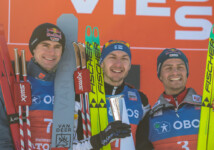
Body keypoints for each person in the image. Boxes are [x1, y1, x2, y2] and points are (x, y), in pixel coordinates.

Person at [0, 23, 131, 150]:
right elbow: (3, 139)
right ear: (33, 48)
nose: (51, 52)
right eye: (45, 45)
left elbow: (71, 145)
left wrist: (99, 139)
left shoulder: (71, 89)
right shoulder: (15, 86)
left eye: (57, 47)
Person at [136, 48, 201, 150]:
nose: (175, 72)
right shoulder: (149, 119)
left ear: (187, 72)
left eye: (180, 67)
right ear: (160, 75)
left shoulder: (208, 107)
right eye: (168, 68)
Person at [99, 40, 150, 150]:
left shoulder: (140, 99)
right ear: (102, 63)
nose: (118, 64)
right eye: (112, 57)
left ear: (130, 65)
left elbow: (144, 143)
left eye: (124, 59)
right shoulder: (83, 96)